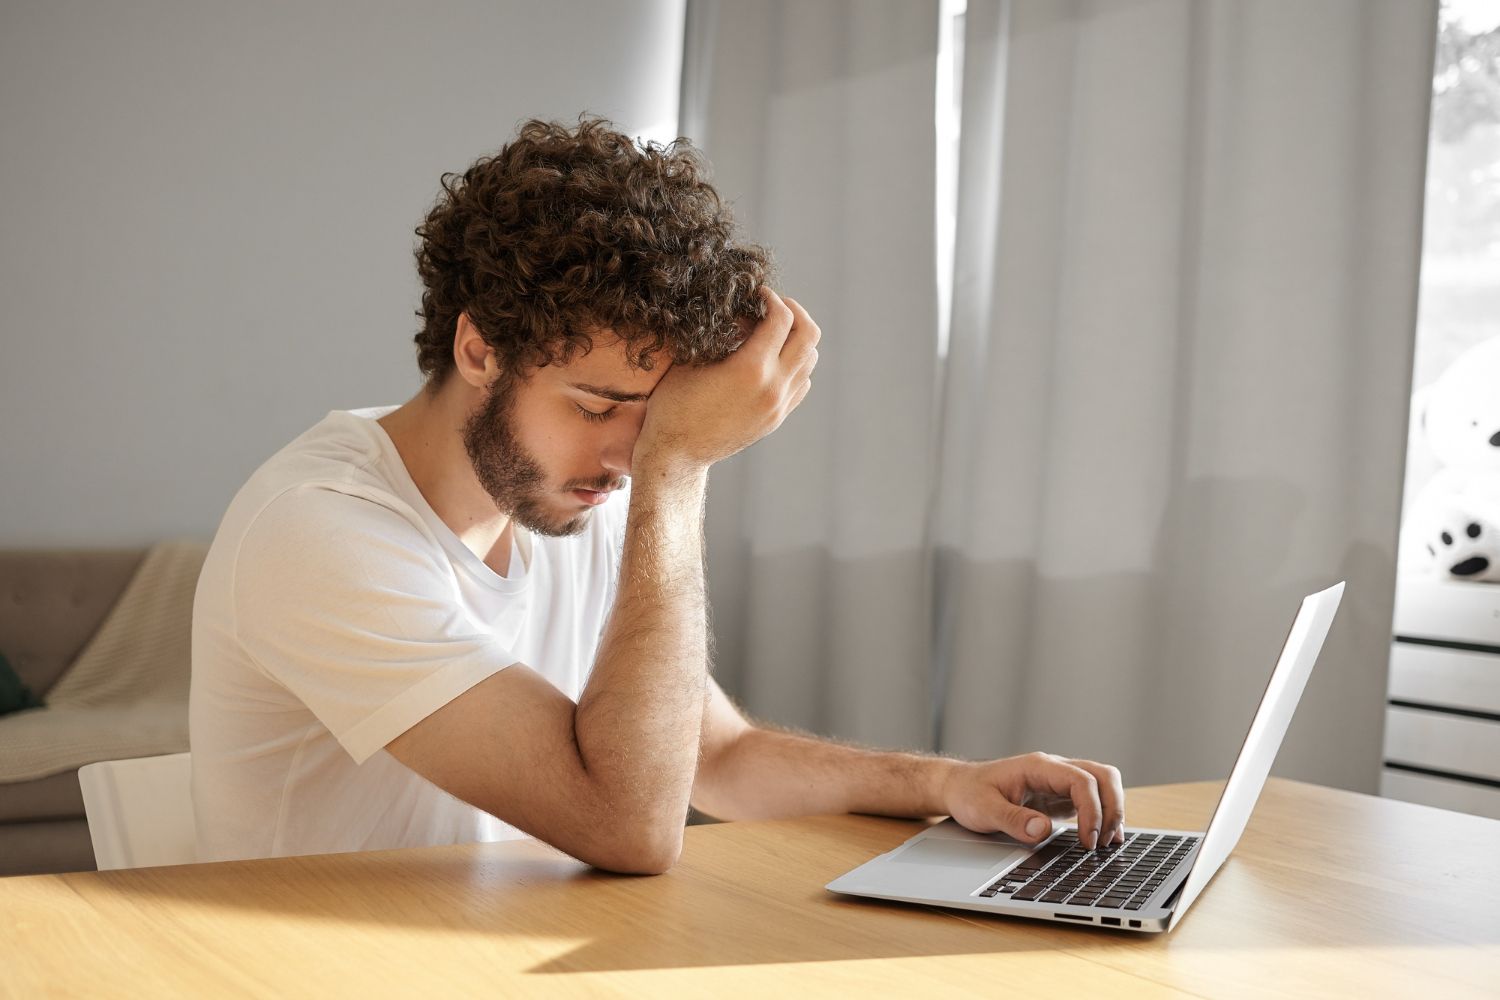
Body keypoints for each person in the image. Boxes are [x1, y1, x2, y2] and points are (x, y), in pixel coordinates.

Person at [190, 117, 1125, 872]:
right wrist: (679, 468)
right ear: (480, 350)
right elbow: (625, 823)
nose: (628, 455)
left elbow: (713, 757)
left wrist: (949, 785)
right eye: (600, 405)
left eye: (655, 420)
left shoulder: (566, 493)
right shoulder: (315, 530)